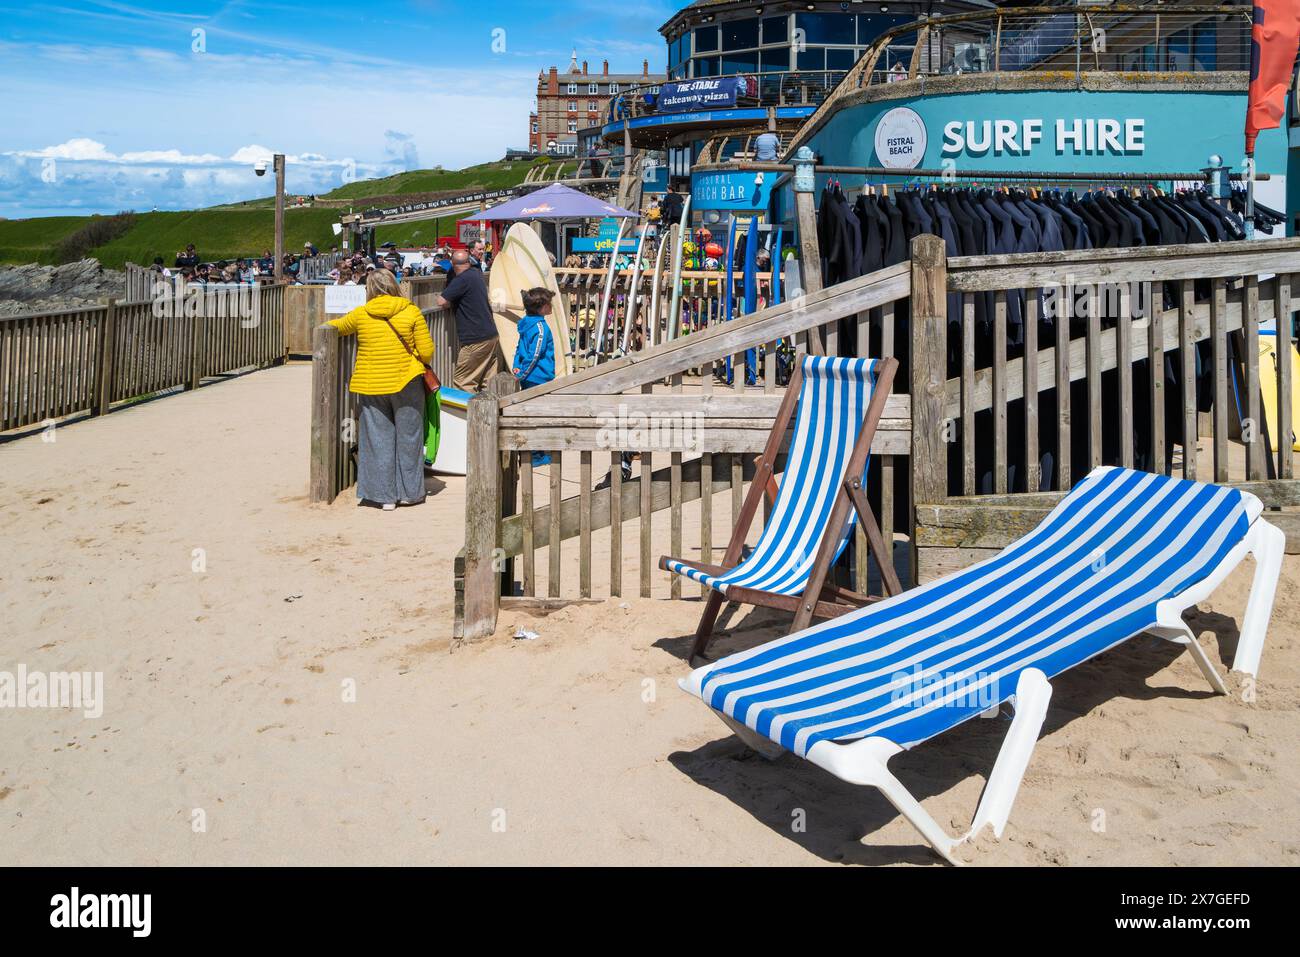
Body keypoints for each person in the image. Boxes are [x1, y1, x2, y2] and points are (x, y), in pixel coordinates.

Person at [327, 269, 434, 510]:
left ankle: (384, 496)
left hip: (371, 383)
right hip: (407, 381)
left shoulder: (362, 314)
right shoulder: (410, 310)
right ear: (395, 285)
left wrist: (323, 327)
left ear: (370, 289)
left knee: (378, 439)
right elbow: (426, 351)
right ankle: (410, 492)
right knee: (410, 437)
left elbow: (337, 327)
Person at [436, 248, 502, 392]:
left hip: (475, 339)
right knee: (488, 382)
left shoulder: (462, 280)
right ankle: (489, 412)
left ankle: (465, 414)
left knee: (463, 383)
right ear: (469, 262)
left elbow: (441, 301)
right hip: (491, 335)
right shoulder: (475, 274)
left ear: (453, 264)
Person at [513, 287, 556, 465]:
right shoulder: (540, 327)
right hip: (537, 377)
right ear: (542, 307)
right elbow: (535, 354)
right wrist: (522, 373)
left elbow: (519, 348)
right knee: (537, 415)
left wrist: (516, 367)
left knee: (530, 413)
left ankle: (532, 452)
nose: (552, 306)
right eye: (549, 303)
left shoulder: (526, 323)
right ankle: (536, 456)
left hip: (529, 376)